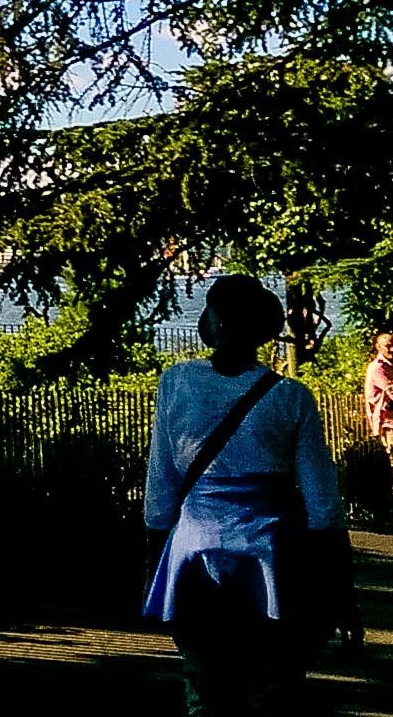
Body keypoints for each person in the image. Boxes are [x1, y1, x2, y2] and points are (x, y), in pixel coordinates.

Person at [145, 275, 360, 715]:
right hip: (272, 559)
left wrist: (153, 562)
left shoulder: (176, 383)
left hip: (193, 554)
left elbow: (160, 488)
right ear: (265, 330)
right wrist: (343, 592)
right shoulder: (291, 397)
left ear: (212, 323)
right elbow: (323, 505)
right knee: (269, 688)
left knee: (203, 688)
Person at [363, 330, 393, 465]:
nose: (392, 349)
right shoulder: (378, 368)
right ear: (378, 347)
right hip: (387, 422)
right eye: (388, 346)